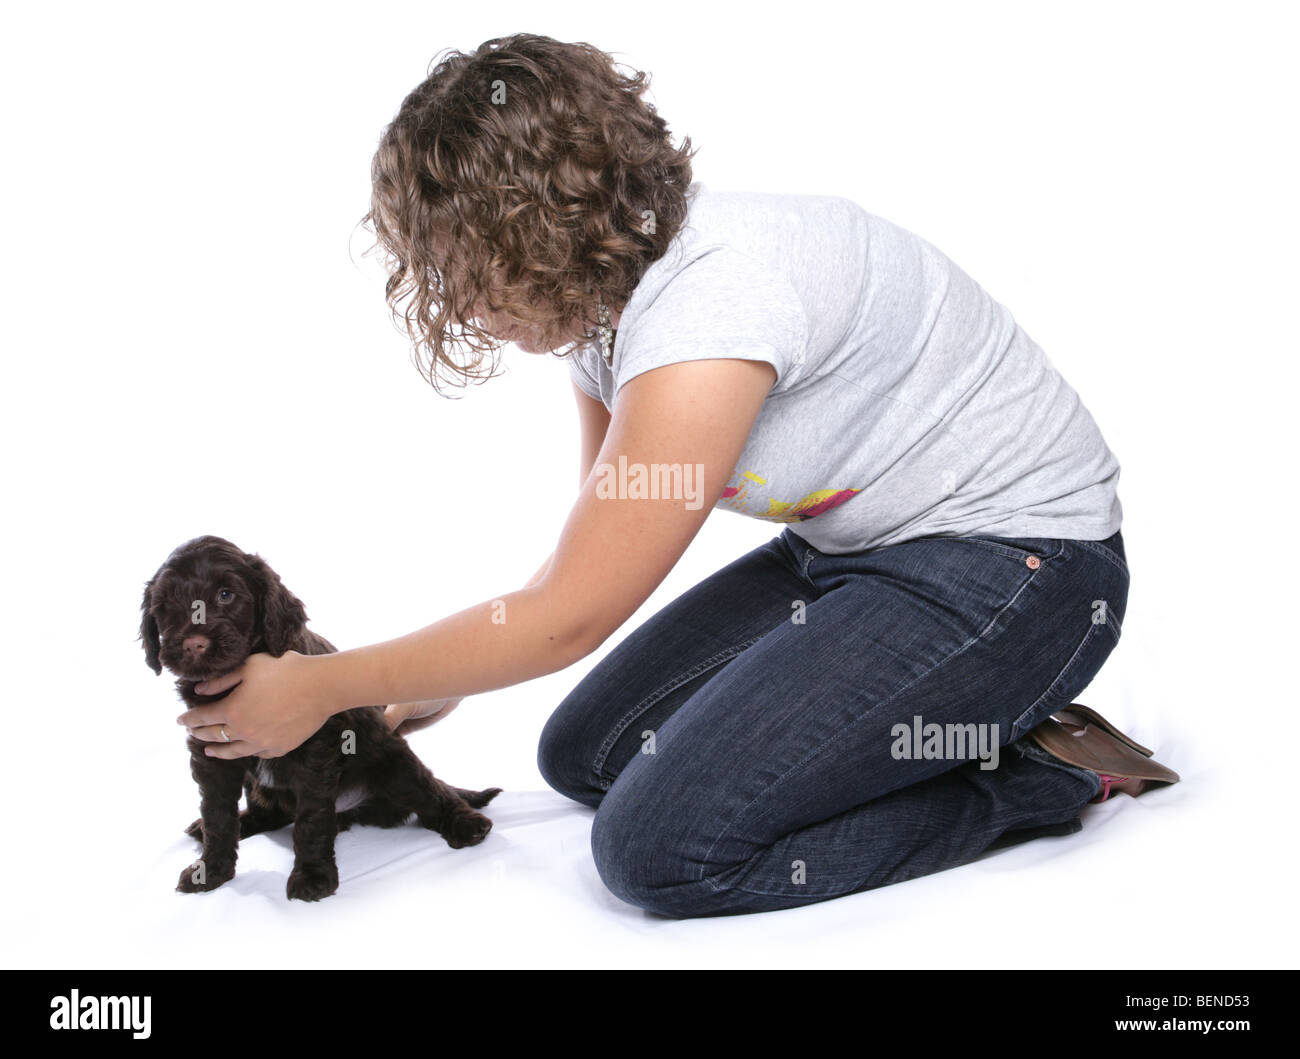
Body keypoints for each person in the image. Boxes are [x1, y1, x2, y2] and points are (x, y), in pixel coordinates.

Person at [177, 33, 1179, 918]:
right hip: (855, 557)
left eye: (467, 263)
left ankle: (1036, 771)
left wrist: (323, 688)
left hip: (1020, 573)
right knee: (588, 757)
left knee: (664, 852)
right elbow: (590, 548)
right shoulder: (602, 306)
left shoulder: (709, 311)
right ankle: (942, 724)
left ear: (538, 230)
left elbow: (573, 615)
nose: (460, 301)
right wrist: (423, 688)